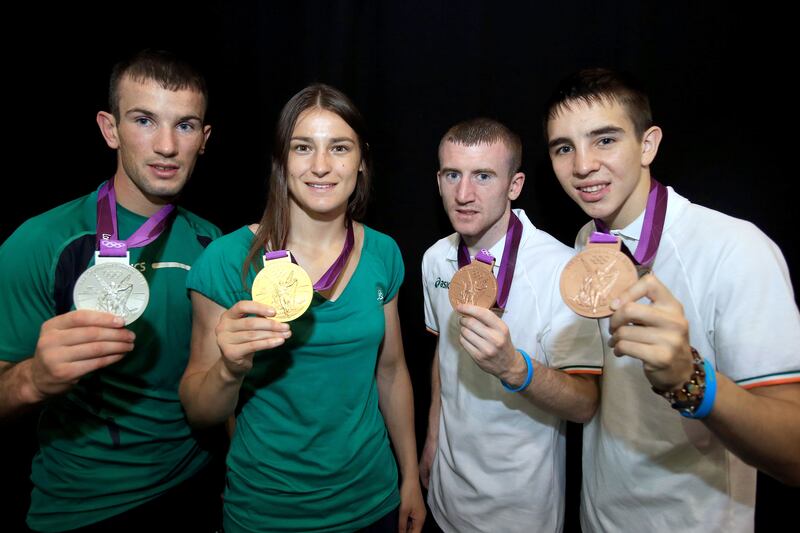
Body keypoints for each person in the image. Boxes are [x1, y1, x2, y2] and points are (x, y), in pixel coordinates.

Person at [545, 68, 800, 531]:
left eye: (604, 140)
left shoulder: (735, 249)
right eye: (564, 147)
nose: (582, 165)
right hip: (600, 517)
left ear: (648, 145)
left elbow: (793, 453)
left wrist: (691, 380)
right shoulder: (588, 238)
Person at [179, 83, 426, 533]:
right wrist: (229, 369)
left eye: (339, 147)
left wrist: (410, 477)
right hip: (267, 512)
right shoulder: (227, 260)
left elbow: (391, 373)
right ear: (281, 160)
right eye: (302, 148)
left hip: (374, 502)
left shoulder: (384, 253)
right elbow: (199, 411)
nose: (321, 166)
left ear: (361, 159)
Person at [0, 49, 222, 532]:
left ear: (203, 140)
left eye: (185, 126)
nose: (166, 145)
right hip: (82, 507)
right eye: (145, 120)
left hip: (198, 487)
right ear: (110, 128)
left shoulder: (216, 245)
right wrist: (33, 379)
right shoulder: (40, 242)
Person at [419, 118, 603, 532]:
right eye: (453, 175)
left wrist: (515, 369)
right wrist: (431, 438)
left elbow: (585, 404)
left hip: (522, 512)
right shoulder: (434, 259)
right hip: (445, 499)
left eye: (483, 176)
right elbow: (442, 356)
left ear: (514, 185)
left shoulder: (560, 270)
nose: (463, 194)